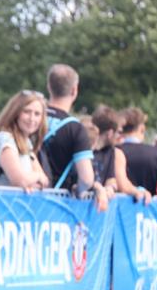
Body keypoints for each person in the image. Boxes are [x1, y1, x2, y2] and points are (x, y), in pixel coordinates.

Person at [42, 64, 108, 211]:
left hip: (23, 199)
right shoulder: (75, 128)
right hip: (56, 205)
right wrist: (80, 190)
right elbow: (86, 178)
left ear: (49, 86)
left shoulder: (31, 118)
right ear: (74, 90)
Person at [0, 90, 50, 190]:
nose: (32, 118)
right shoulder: (4, 139)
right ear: (15, 113)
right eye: (27, 112)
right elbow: (20, 181)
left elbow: (45, 181)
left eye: (37, 114)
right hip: (0, 203)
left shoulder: (27, 143)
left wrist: (33, 180)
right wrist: (37, 177)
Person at [118, 107, 157, 201]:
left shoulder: (115, 151)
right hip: (147, 210)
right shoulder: (156, 153)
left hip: (117, 211)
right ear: (142, 128)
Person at [90, 105, 145, 203]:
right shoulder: (84, 148)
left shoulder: (112, 152)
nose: (121, 137)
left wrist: (110, 188)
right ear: (110, 133)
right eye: (118, 132)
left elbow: (111, 179)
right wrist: (99, 188)